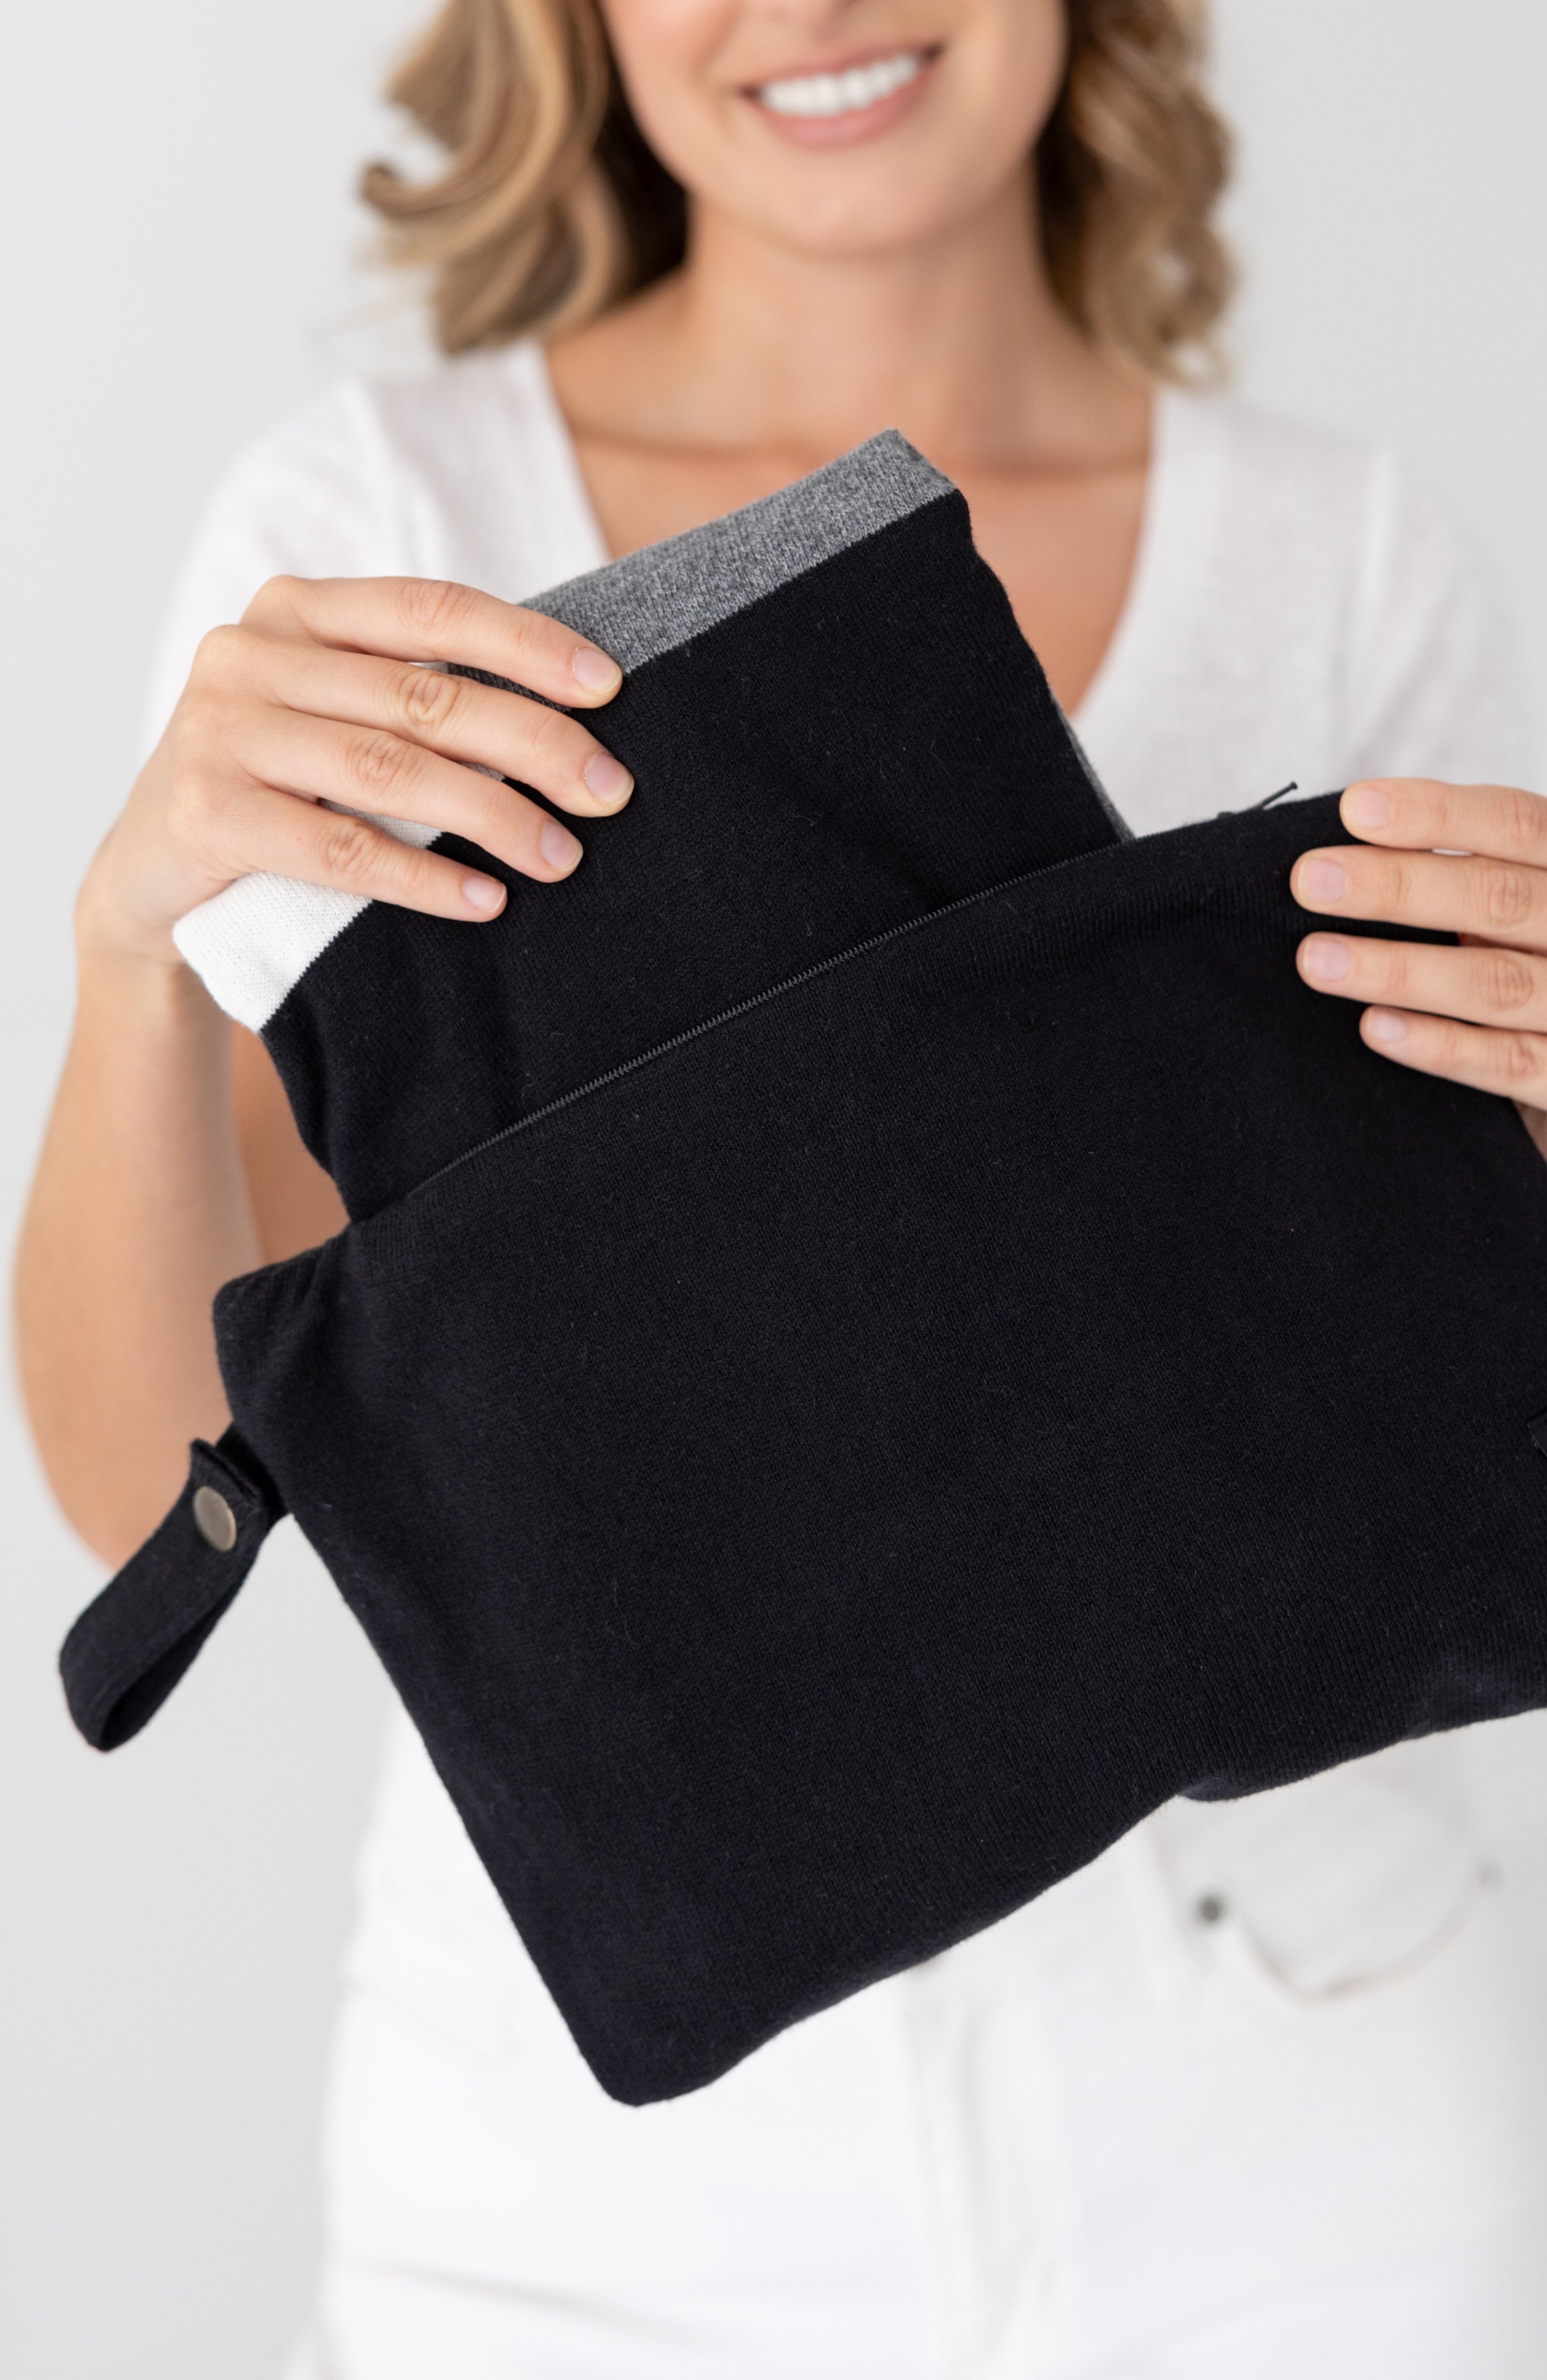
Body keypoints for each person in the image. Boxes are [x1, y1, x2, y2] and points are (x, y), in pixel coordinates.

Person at [17, 0, 1547, 2370]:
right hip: (574, 2202)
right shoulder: (367, 544)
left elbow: (1451, 1411)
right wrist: (131, 968)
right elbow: (146, 1491)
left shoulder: (1343, 549)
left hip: (1296, 2106)